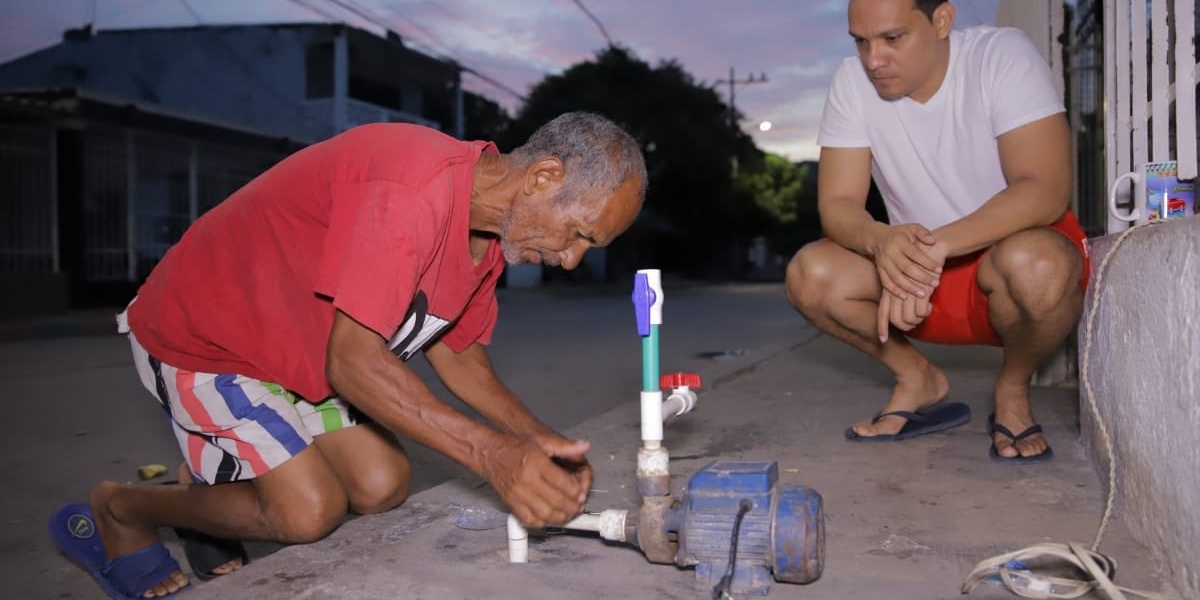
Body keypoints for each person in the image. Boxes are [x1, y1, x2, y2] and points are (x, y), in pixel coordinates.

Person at [49, 111, 647, 599]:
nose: (572, 259)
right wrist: (493, 456)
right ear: (543, 176)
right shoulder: (410, 189)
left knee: (381, 483)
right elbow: (354, 363)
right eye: (580, 235)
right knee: (306, 513)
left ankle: (208, 494)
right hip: (211, 340)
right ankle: (124, 509)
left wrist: (537, 440)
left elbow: (459, 353)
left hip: (302, 359)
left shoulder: (488, 237)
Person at [785, 0, 1088, 463]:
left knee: (1038, 263)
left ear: (941, 20)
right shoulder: (852, 81)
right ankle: (917, 377)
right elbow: (838, 205)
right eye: (861, 42)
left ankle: (1011, 387)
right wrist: (881, 241)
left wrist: (931, 248)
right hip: (919, 288)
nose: (873, 60)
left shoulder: (1000, 56)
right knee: (811, 272)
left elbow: (1046, 189)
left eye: (892, 39)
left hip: (1008, 268)